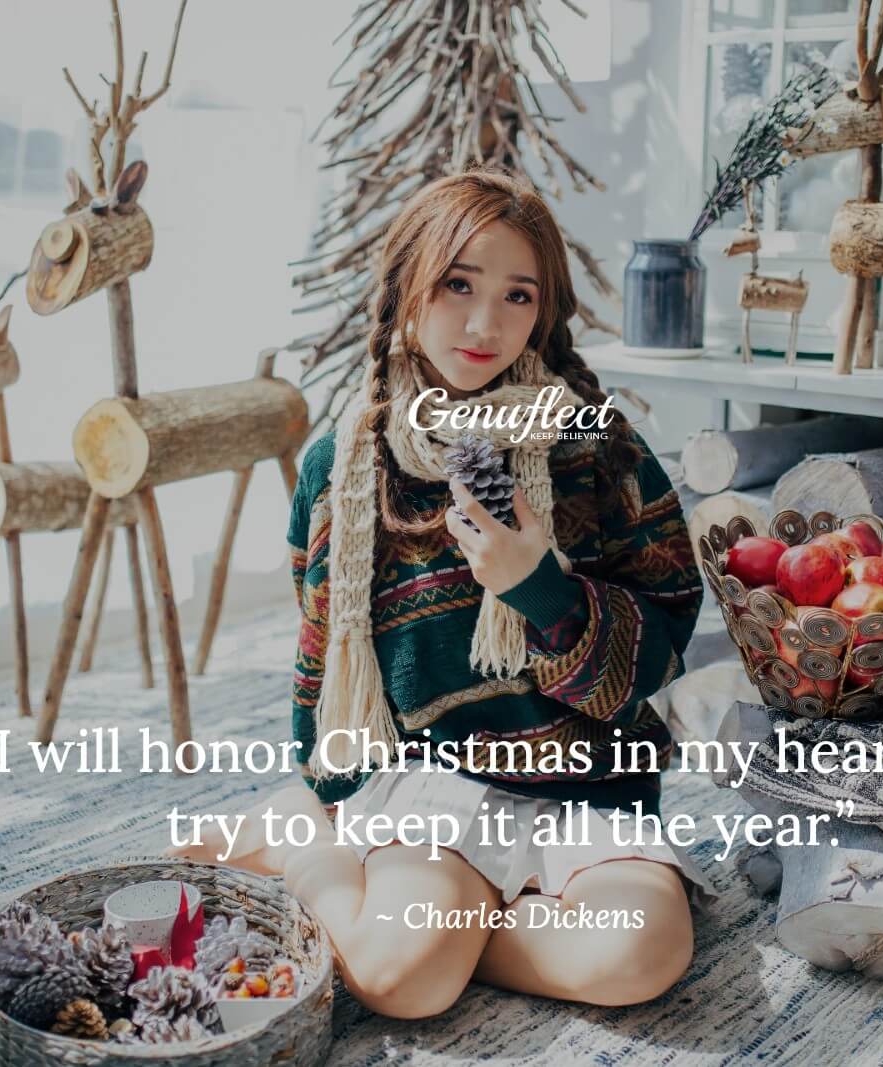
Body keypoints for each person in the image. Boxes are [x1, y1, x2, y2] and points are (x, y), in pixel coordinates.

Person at [171, 167, 713, 1018]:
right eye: (458, 283)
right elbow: (324, 653)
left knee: (639, 956)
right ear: (408, 285)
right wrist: (329, 793)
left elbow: (663, 650)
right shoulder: (343, 465)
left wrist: (540, 590)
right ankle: (304, 844)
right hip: (439, 779)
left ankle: (455, 927)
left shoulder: (596, 448)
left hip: (587, 782)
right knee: (404, 983)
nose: (484, 322)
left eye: (517, 295)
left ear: (546, 311)